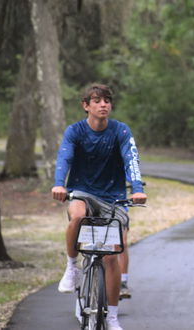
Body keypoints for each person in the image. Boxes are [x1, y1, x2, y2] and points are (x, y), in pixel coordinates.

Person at [52, 83, 147, 330]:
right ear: (86, 106)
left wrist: (137, 188)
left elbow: (131, 159)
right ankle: (72, 267)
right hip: (82, 191)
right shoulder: (75, 131)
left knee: (112, 256)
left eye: (106, 100)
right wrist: (58, 184)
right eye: (96, 100)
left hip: (114, 196)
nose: (103, 104)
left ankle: (112, 317)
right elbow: (65, 157)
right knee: (77, 215)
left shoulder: (120, 131)